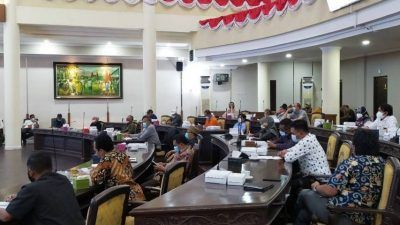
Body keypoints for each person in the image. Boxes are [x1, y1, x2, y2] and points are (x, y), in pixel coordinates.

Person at [294, 129, 385, 225]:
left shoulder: (352, 163)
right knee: (304, 214)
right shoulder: (381, 162)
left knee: (304, 193)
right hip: (367, 215)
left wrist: (316, 186)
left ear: (355, 145)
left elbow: (330, 191)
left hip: (343, 213)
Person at [0, 152, 85, 225]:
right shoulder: (64, 180)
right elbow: (48, 195)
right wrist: (21, 197)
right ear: (50, 167)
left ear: (31, 171)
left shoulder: (32, 189)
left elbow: (5, 217)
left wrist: (24, 196)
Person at [277, 120, 331, 217]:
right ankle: (289, 213)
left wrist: (284, 154)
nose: (293, 135)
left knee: (289, 186)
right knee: (289, 182)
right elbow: (294, 149)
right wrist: (285, 150)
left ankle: (291, 215)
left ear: (300, 132)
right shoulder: (309, 138)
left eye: (293, 133)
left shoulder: (307, 141)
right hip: (310, 175)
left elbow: (289, 158)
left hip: (318, 178)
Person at [90, 131, 146, 201]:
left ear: (101, 151)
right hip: (136, 193)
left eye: (96, 151)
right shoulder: (123, 154)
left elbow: (95, 180)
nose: (96, 154)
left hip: (123, 200)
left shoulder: (107, 159)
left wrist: (92, 171)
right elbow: (131, 172)